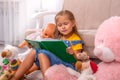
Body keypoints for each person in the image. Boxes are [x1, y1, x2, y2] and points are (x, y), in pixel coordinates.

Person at [11, 10, 83, 80]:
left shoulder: (75, 39)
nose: (63, 27)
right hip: (55, 62)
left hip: (68, 65)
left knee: (42, 53)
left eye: (66, 24)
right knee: (34, 51)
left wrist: (73, 52)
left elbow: (78, 58)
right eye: (60, 25)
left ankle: (46, 78)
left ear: (73, 23)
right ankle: (15, 77)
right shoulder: (58, 37)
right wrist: (33, 45)